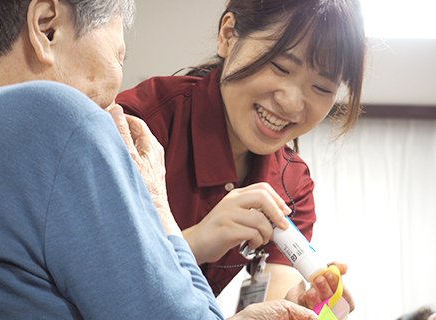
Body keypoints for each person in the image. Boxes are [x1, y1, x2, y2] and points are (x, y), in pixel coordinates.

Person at [0, 0, 321, 319]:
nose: (114, 98)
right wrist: (160, 210)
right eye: (120, 55)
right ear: (47, 26)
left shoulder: (294, 178)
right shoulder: (64, 117)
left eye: (322, 88)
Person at [116, 0, 367, 308]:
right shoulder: (140, 124)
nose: (291, 103)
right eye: (281, 67)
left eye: (322, 88)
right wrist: (194, 242)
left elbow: (273, 294)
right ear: (229, 35)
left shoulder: (292, 183)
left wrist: (295, 306)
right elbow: (86, 272)